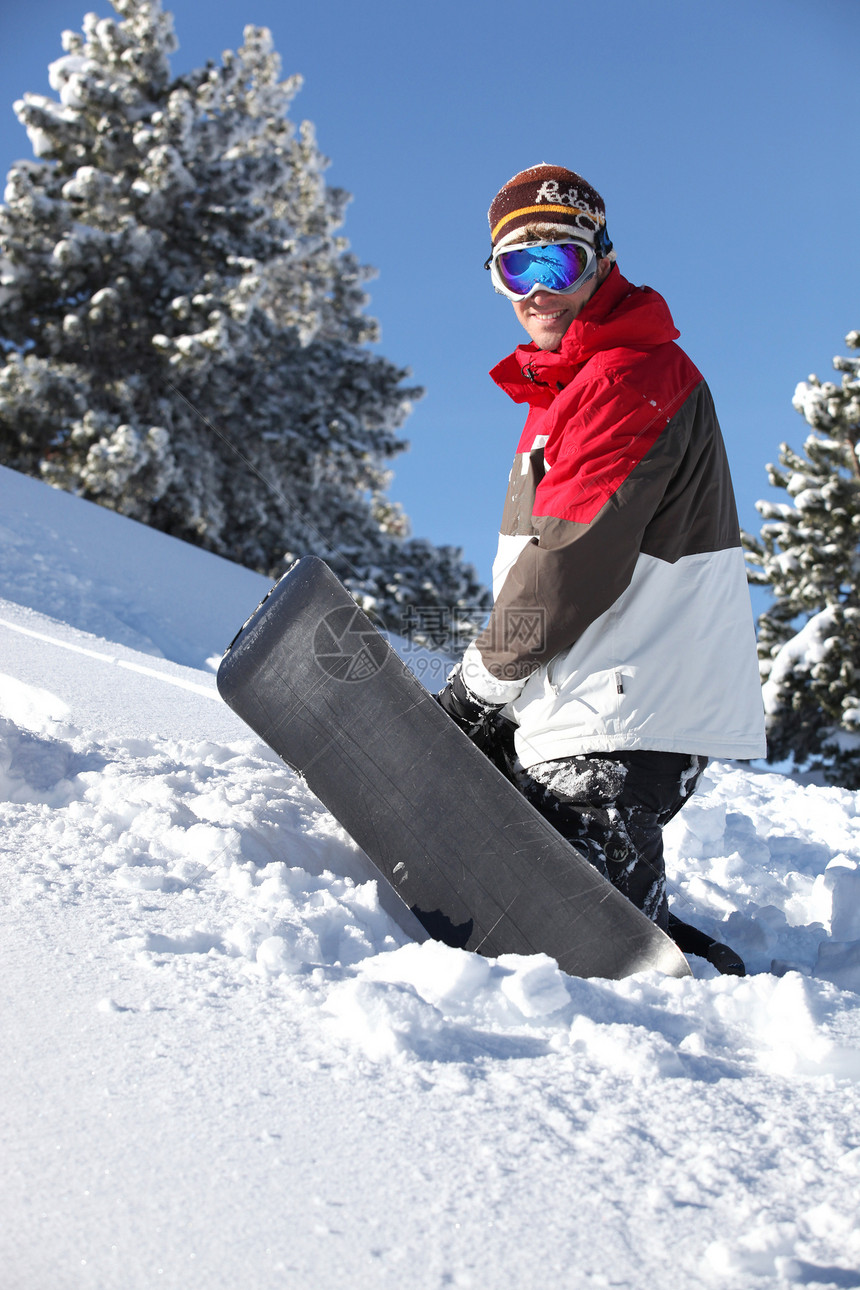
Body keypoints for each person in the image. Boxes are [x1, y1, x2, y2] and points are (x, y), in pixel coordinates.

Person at [437, 163, 766, 957]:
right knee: (605, 919)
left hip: (620, 711)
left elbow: (567, 565)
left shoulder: (630, 376)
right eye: (516, 266)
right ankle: (685, 962)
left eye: (558, 262)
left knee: (586, 948)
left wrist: (477, 691)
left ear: (602, 263)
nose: (536, 288)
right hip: (584, 706)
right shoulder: (566, 392)